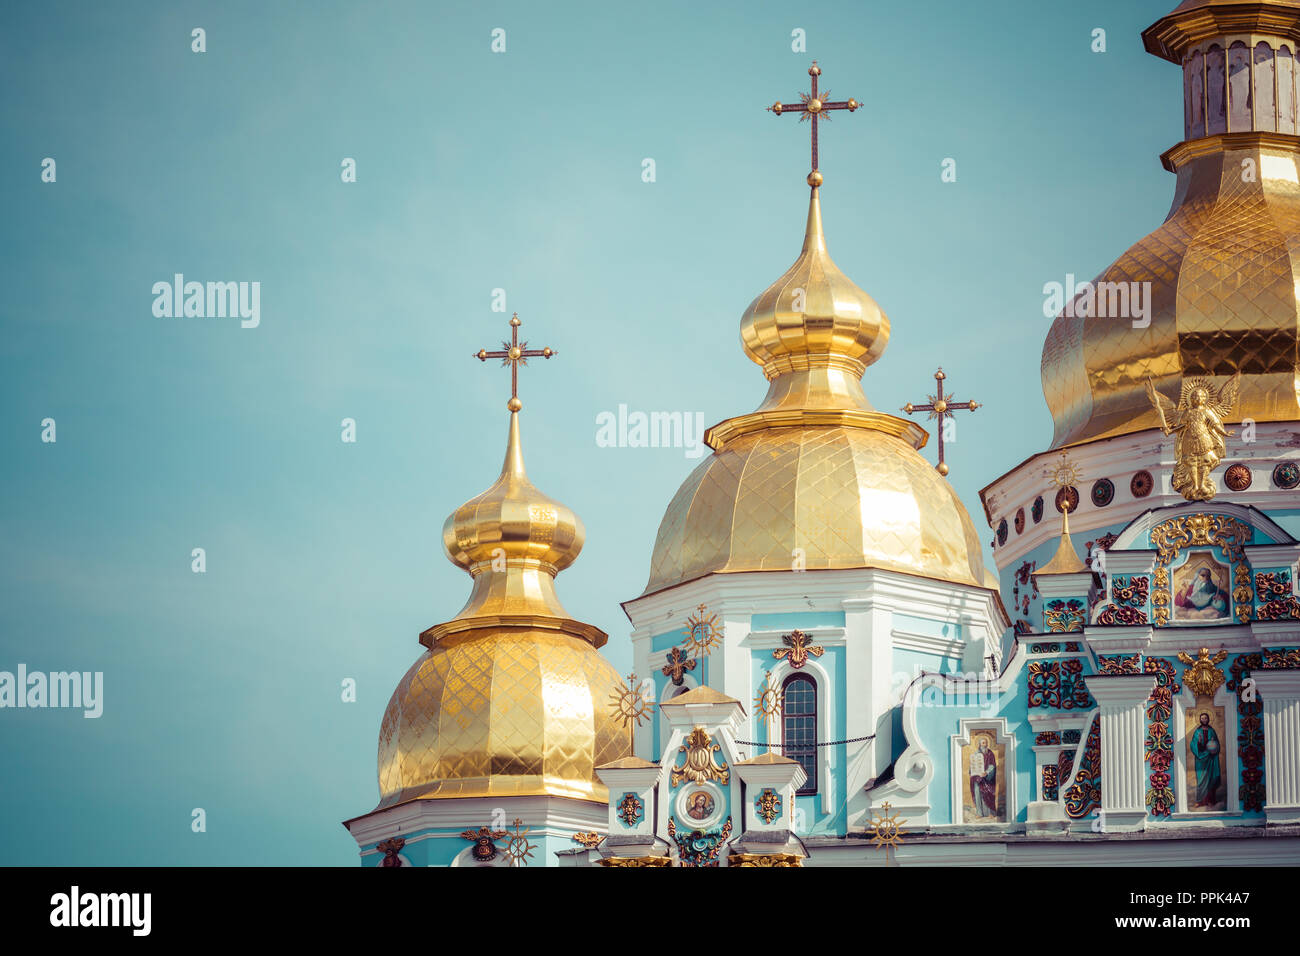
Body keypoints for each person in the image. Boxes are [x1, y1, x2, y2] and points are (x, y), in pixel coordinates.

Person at [1189, 712, 1222, 809]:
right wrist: (1198, 742)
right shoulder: (1197, 732)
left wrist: (1213, 745)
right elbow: (1193, 744)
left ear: (1208, 719)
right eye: (1202, 718)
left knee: (1211, 778)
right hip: (1200, 759)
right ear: (1200, 720)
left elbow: (1217, 744)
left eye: (1205, 718)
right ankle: (1200, 801)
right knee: (1201, 780)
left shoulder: (1212, 731)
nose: (1204, 720)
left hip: (1210, 758)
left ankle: (1211, 800)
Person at [969, 737, 998, 819]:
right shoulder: (976, 754)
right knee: (978, 794)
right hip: (977, 778)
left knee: (987, 794)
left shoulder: (990, 753)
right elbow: (972, 765)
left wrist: (987, 772)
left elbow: (992, 765)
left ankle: (990, 813)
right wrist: (972, 771)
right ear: (979, 744)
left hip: (987, 778)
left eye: (985, 743)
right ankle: (979, 813)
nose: (984, 745)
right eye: (982, 743)